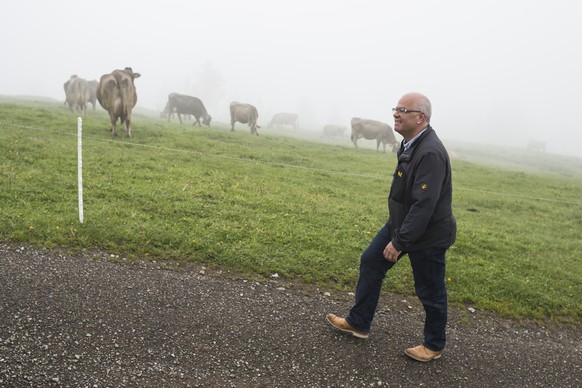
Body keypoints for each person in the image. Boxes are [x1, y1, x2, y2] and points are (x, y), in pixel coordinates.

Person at [326, 92, 456, 362]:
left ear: (420, 118)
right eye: (395, 109)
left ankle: (434, 345)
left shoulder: (430, 152)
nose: (396, 114)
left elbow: (424, 205)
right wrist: (396, 230)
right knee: (371, 262)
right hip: (401, 224)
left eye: (403, 110)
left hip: (427, 233)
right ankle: (358, 322)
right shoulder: (409, 144)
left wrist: (400, 241)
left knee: (430, 290)